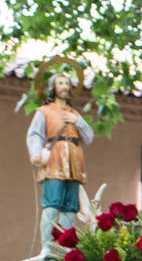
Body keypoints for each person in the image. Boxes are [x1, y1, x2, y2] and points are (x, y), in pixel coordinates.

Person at [27, 71, 94, 250]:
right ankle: (47, 247)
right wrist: (36, 152)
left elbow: (88, 137)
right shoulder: (45, 112)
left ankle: (66, 248)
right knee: (52, 204)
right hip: (55, 160)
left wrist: (78, 121)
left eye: (66, 83)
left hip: (74, 161)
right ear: (53, 88)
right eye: (60, 83)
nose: (64, 87)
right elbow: (35, 134)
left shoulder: (74, 114)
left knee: (70, 207)